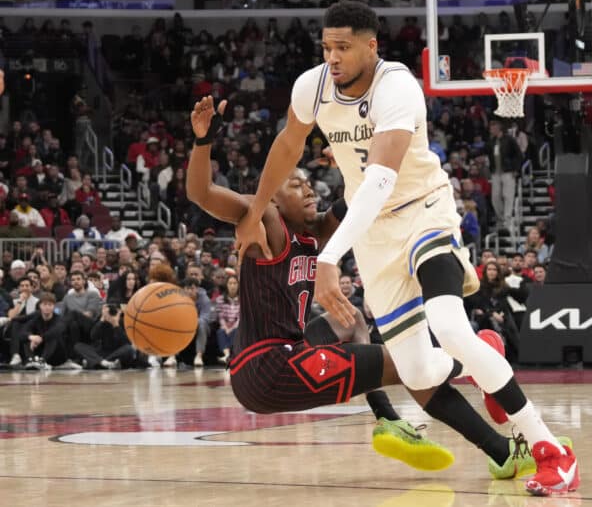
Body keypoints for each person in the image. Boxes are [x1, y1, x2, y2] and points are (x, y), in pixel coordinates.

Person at [233, 2, 577, 496]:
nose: (333, 57)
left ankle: (551, 451)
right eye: (327, 47)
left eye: (344, 47)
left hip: (422, 210)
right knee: (417, 369)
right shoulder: (311, 86)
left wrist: (329, 259)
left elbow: (379, 179)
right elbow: (288, 145)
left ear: (372, 46)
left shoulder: (397, 86)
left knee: (450, 324)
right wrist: (255, 210)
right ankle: (484, 358)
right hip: (375, 237)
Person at [188, 96, 571, 482]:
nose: (308, 191)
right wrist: (203, 143)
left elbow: (363, 192)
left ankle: (406, 423)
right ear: (272, 194)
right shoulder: (263, 220)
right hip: (267, 366)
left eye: (309, 184)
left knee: (353, 321)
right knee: (406, 363)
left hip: (291, 350)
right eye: (295, 184)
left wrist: (370, 155)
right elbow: (201, 194)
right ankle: (476, 364)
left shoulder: (317, 231)